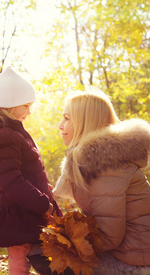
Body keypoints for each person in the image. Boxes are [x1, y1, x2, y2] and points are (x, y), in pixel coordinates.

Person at [0, 66, 62, 275]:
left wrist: (42, 186)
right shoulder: (3, 136)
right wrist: (43, 204)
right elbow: (12, 183)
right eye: (26, 106)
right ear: (9, 105)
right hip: (20, 211)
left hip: (26, 208)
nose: (29, 112)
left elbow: (23, 172)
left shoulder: (11, 132)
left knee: (32, 257)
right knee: (19, 260)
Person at [53, 88, 150, 275]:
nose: (60, 125)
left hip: (136, 264)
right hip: (130, 254)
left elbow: (109, 235)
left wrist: (68, 240)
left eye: (66, 118)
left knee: (42, 252)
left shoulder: (106, 165)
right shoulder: (102, 160)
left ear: (84, 122)